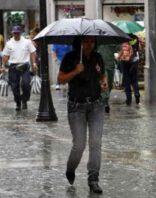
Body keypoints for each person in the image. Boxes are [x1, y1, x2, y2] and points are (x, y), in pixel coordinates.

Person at [58, 36, 108, 194]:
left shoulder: (97, 57)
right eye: (86, 41)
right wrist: (75, 71)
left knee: (96, 142)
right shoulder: (70, 58)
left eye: (92, 41)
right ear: (79, 42)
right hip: (76, 106)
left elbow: (103, 75)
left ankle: (93, 179)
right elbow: (60, 79)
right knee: (79, 145)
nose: (89, 44)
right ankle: (70, 168)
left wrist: (104, 82)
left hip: (96, 105)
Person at [1, 25, 38, 111]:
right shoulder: (9, 43)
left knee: (26, 84)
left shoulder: (27, 42)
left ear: (20, 33)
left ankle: (24, 100)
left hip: (24, 65)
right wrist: (3, 65)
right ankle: (18, 102)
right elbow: (5, 55)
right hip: (13, 66)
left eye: (18, 33)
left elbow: (33, 52)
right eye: (15, 33)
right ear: (12, 33)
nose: (16, 35)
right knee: (14, 86)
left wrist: (34, 63)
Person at [118, 40, 140, 106]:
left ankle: (129, 100)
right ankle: (136, 93)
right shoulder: (135, 38)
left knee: (127, 82)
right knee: (134, 80)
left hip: (125, 63)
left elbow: (120, 54)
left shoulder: (123, 41)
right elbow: (137, 50)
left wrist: (118, 57)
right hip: (134, 62)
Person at [98, 44, 119, 113]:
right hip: (101, 66)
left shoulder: (110, 41)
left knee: (109, 83)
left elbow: (118, 48)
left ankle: (105, 99)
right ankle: (105, 101)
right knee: (104, 83)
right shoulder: (96, 40)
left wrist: (118, 57)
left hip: (110, 65)